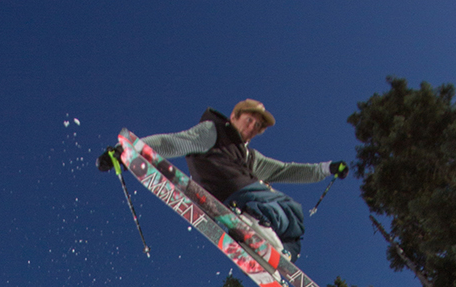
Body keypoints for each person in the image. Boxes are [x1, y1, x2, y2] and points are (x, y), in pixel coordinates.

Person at [98, 100, 348, 260]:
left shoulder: (250, 156)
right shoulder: (213, 131)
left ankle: (278, 259)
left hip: (248, 196)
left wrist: (326, 168)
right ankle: (253, 220)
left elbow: (286, 171)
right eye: (249, 119)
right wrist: (129, 152)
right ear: (235, 116)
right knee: (283, 207)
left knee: (295, 226)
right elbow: (174, 142)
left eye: (257, 126)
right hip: (232, 192)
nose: (252, 127)